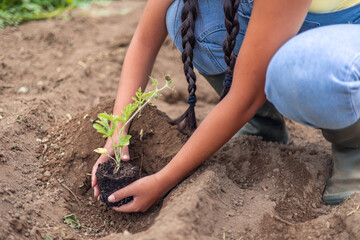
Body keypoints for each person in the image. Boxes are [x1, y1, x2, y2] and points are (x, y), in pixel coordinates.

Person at [91, 0, 360, 212]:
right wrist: (117, 132)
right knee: (185, 16)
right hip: (279, 21)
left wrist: (162, 181)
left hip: (345, 34)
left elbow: (245, 97)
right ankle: (262, 125)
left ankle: (354, 149)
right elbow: (144, 40)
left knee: (294, 72)